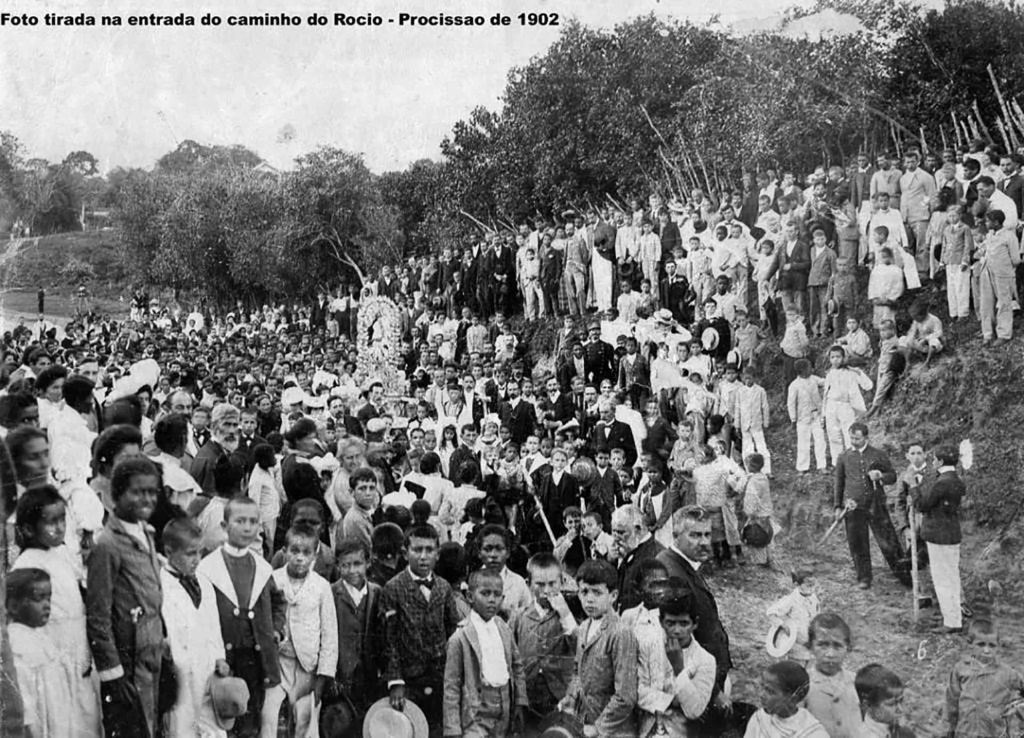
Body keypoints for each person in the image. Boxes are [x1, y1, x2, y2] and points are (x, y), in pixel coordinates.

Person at [12, 486, 102, 738]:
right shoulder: (27, 566)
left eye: (62, 519)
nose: (60, 527)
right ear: (29, 529)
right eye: (51, 522)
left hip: (77, 662)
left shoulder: (61, 554)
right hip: (50, 668)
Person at [86, 457, 165, 738]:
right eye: (137, 491)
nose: (147, 498)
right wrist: (113, 672)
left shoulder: (146, 533)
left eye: (152, 491)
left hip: (152, 654)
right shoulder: (107, 545)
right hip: (127, 664)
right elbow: (97, 616)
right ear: (117, 494)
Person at [196, 496, 286, 738]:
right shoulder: (208, 568)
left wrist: (276, 629)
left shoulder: (262, 567)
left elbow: (278, 601)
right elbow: (200, 615)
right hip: (225, 658)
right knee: (222, 720)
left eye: (253, 522)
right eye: (240, 521)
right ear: (225, 526)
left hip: (255, 659)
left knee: (251, 717)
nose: (247, 527)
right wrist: (213, 654)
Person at [381, 524, 462, 736]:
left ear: (438, 554)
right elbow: (388, 639)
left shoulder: (443, 588)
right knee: (411, 729)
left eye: (429, 550)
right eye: (417, 550)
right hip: (409, 679)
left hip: (440, 676)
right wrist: (395, 680)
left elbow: (452, 630)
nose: (423, 557)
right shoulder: (393, 588)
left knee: (437, 728)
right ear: (405, 553)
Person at [656, 506, 733, 725]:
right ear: (675, 536)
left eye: (707, 534)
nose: (704, 542)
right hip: (695, 682)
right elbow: (678, 638)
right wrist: (715, 691)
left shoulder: (682, 564)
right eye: (695, 535)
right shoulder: (671, 573)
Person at [262, 522, 338, 738]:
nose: (300, 558)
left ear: (315, 555)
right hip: (277, 662)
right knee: (268, 717)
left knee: (305, 721)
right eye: (294, 551)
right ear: (284, 552)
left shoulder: (321, 586)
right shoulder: (273, 580)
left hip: (307, 665)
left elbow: (330, 635)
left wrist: (323, 676)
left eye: (306, 553)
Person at [159, 517, 230, 738]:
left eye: (200, 552)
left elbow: (213, 623)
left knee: (215, 731)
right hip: (181, 675)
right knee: (181, 730)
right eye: (190, 554)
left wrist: (219, 656)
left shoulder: (204, 582)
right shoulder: (161, 587)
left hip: (208, 672)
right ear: (169, 551)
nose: (197, 560)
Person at [442, 568, 528, 737]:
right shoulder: (460, 637)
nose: (491, 600)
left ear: (503, 598)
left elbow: (517, 666)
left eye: (497, 595)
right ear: (470, 597)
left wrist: (520, 701)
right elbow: (451, 686)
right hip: (476, 712)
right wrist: (453, 728)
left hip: (504, 708)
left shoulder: (504, 629)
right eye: (485, 593)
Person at [560, 559, 639, 737]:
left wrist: (598, 728)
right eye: (584, 592)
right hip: (585, 722)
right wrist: (570, 698)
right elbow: (577, 672)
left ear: (613, 595)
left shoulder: (620, 633)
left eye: (597, 592)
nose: (589, 599)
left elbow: (626, 695)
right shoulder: (584, 627)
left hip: (614, 730)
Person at [834, 423, 910, 590]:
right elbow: (839, 483)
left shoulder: (878, 454)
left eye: (857, 438)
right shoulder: (844, 457)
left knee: (888, 541)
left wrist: (881, 475)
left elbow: (893, 476)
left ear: (866, 438)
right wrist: (838, 506)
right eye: (852, 438)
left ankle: (905, 576)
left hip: (876, 504)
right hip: (853, 507)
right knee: (858, 543)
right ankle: (864, 578)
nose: (854, 441)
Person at [635, 589, 716, 737]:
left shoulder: (705, 660)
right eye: (670, 623)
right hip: (646, 730)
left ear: (695, 624)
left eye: (684, 623)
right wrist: (670, 700)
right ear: (661, 622)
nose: (677, 630)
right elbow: (636, 690)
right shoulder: (649, 646)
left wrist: (679, 669)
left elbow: (694, 710)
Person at [7, 567, 71, 738]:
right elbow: (24, 705)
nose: (47, 605)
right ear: (13, 606)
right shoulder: (18, 647)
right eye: (38, 599)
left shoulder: (41, 639)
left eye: (48, 598)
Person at [911, 445, 966, 634]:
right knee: (952, 576)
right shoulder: (956, 480)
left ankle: (951, 622)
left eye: (934, 459)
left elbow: (922, 505)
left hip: (938, 536)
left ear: (941, 462)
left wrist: (913, 486)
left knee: (943, 579)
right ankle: (954, 618)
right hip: (951, 535)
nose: (933, 462)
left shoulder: (942, 482)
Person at [945, 618, 1024, 738]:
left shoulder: (1007, 673)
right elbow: (952, 702)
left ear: (998, 645)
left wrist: (1018, 709)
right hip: (966, 732)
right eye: (981, 644)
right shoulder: (960, 669)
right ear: (970, 643)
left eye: (992, 646)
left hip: (995, 733)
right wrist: (950, 728)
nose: (986, 650)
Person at [805, 613, 861, 738]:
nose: (830, 654)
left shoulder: (857, 682)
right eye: (822, 645)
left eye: (837, 646)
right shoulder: (803, 685)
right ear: (811, 647)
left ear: (848, 647)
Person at [743, 661, 829, 738]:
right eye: (762, 687)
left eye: (770, 691)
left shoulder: (813, 733)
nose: (762, 695)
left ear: (793, 698)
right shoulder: (759, 719)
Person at [822, 347, 873, 466]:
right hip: (831, 405)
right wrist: (823, 414)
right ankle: (838, 462)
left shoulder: (851, 372)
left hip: (846, 406)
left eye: (838, 357)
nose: (835, 360)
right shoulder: (830, 373)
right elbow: (826, 394)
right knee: (834, 434)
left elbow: (868, 385)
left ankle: (852, 461)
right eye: (832, 357)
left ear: (844, 358)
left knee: (849, 433)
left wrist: (859, 372)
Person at [978, 209, 1020, 345]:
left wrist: (1006, 269)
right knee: (986, 302)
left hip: (1003, 274)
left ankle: (1004, 333)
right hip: (987, 271)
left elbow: (1016, 259)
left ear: (996, 222)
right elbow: (983, 251)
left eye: (988, 221)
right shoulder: (990, 235)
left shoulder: (1009, 236)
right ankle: (987, 333)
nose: (986, 223)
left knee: (1004, 303)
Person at [611, 504, 664, 612]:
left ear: (638, 529)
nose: (615, 538)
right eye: (614, 532)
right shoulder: (633, 549)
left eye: (621, 532)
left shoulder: (654, 556)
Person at [477, 523, 533, 617]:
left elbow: (529, 617)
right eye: (488, 549)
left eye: (499, 549)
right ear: (479, 553)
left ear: (507, 552)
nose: (493, 555)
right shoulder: (473, 582)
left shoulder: (518, 583)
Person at [766, 569, 820, 664]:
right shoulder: (791, 600)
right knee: (797, 668)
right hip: (796, 643)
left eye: (813, 585)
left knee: (810, 667)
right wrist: (783, 625)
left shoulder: (813, 597)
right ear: (797, 585)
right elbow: (771, 613)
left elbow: (816, 614)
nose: (811, 588)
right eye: (808, 585)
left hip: (810, 641)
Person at [786, 360, 827, 473]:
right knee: (803, 442)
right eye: (809, 368)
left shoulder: (814, 379)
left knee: (820, 441)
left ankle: (822, 465)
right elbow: (791, 403)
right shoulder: (794, 385)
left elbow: (825, 382)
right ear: (801, 371)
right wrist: (793, 419)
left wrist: (832, 376)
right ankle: (802, 467)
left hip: (816, 415)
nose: (811, 370)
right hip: (802, 418)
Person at [854, 664, 915, 737]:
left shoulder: (903, 733)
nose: (900, 709)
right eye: (891, 704)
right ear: (867, 706)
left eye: (901, 701)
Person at [731, 367, 772, 476]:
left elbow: (765, 407)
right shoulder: (740, 391)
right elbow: (737, 408)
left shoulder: (760, 391)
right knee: (747, 448)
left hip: (756, 424)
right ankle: (750, 471)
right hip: (745, 424)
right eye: (745, 379)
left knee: (762, 447)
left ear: (754, 378)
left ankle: (767, 470)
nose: (748, 381)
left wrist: (765, 422)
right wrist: (737, 425)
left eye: (750, 378)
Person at [741, 453, 775, 567]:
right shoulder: (763, 477)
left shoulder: (753, 482)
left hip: (757, 515)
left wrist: (748, 513)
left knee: (756, 538)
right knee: (767, 538)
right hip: (766, 513)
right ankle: (769, 559)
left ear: (752, 466)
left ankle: (761, 563)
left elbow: (752, 501)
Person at [341, 466, 378, 552]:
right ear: (352, 492)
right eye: (362, 488)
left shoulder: (371, 508)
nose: (368, 493)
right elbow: (369, 549)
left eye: (372, 488)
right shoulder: (355, 519)